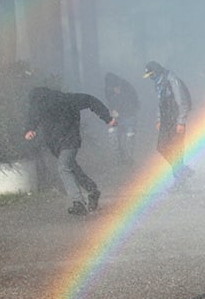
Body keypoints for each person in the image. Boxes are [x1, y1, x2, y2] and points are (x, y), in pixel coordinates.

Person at [24, 87, 117, 216]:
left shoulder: (58, 101)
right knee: (72, 168)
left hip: (69, 142)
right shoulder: (63, 99)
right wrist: (30, 129)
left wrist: (107, 118)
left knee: (63, 168)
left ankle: (78, 203)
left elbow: (90, 100)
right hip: (59, 144)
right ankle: (92, 190)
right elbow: (90, 100)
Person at [143, 61, 194, 187]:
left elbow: (182, 102)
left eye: (151, 74)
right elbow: (160, 103)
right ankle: (182, 171)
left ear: (156, 72)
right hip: (166, 121)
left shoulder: (172, 80)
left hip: (175, 120)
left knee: (176, 150)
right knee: (162, 147)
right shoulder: (158, 83)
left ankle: (180, 181)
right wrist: (159, 119)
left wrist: (181, 122)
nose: (150, 77)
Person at [104, 72, 140, 166]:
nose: (115, 90)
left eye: (116, 87)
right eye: (112, 88)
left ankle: (129, 160)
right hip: (116, 118)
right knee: (113, 136)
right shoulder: (108, 89)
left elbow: (135, 103)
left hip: (129, 116)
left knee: (129, 137)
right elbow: (110, 101)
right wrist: (113, 111)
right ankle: (118, 160)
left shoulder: (128, 88)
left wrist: (123, 110)